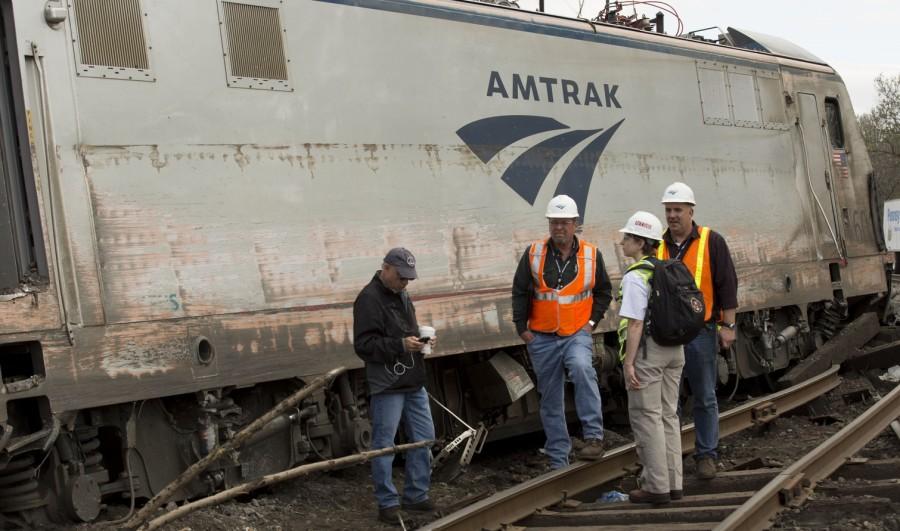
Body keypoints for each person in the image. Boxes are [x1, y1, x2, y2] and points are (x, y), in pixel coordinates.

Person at [511, 194, 613, 469]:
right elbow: (520, 290)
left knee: (582, 369)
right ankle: (558, 457)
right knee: (550, 396)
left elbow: (604, 291)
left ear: (575, 224)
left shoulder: (591, 254)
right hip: (541, 336)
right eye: (554, 223)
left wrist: (591, 323)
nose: (558, 228)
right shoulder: (534, 253)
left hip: (575, 332)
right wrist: (522, 329)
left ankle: (593, 437)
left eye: (564, 223)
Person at [658, 182, 738, 480]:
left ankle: (706, 455)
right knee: (670, 399)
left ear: (691, 211)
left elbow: (727, 284)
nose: (673, 216)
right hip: (666, 335)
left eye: (678, 210)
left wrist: (728, 325)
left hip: (701, 331)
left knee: (704, 395)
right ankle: (672, 459)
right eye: (668, 210)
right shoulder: (659, 244)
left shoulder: (710, 241)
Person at [353, 247, 436, 525]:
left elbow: (400, 330)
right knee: (384, 444)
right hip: (387, 382)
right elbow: (363, 345)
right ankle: (387, 503)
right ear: (386, 268)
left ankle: (416, 495)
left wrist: (419, 342)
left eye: (408, 279)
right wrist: (401, 345)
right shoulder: (368, 299)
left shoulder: (401, 293)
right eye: (401, 277)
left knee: (424, 437)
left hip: (411, 377)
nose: (405, 283)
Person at [617, 211, 684, 505]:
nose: (622, 243)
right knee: (668, 416)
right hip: (675, 351)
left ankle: (656, 487)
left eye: (627, 238)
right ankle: (674, 483)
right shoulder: (667, 268)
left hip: (648, 353)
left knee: (647, 418)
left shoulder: (635, 276)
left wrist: (629, 362)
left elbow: (634, 324)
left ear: (641, 242)